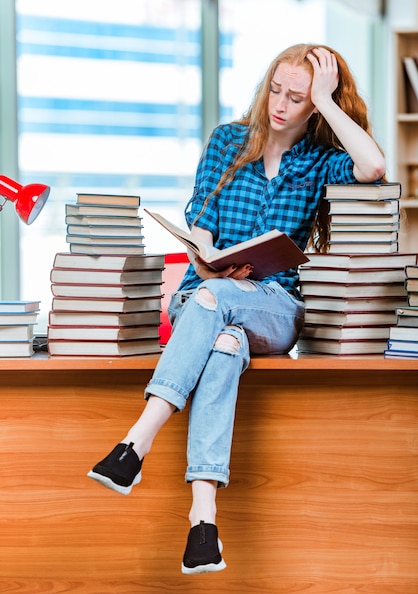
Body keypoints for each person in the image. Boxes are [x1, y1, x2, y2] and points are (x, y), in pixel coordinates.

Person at [87, 44, 386, 574]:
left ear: (315, 104)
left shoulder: (321, 160)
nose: (280, 104)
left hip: (275, 306)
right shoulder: (227, 141)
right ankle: (204, 524)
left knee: (220, 304)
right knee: (223, 342)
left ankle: (137, 441)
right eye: (276, 88)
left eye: (297, 97)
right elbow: (201, 222)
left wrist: (326, 98)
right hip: (203, 297)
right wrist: (205, 261)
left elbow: (374, 165)